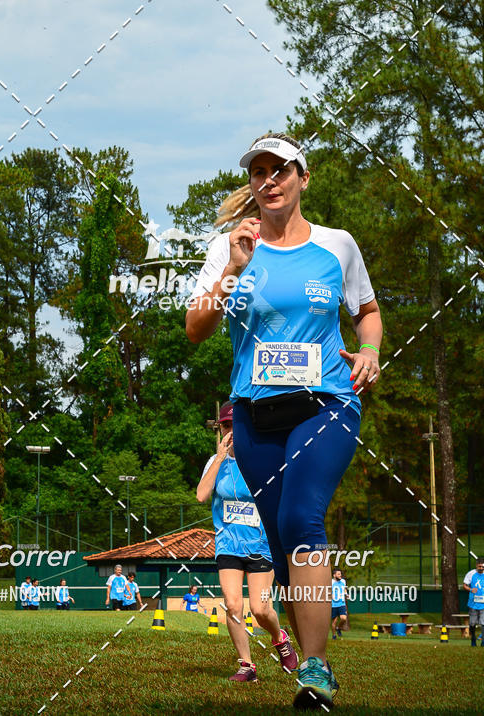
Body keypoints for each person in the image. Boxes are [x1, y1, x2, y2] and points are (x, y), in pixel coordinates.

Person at [187, 132, 382, 709]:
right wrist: (235, 267)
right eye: (259, 172)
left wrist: (370, 350)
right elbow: (195, 329)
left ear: (302, 178)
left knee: (301, 518)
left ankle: (314, 666)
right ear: (252, 184)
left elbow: (367, 312)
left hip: (327, 403)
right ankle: (315, 672)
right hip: (254, 416)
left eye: (281, 170)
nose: (269, 180)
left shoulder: (336, 245)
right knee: (279, 540)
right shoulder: (229, 248)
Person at [197, 401, 298, 683]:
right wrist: (219, 458)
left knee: (261, 609)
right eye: (226, 426)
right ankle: (247, 666)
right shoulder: (215, 462)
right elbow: (201, 495)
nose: (231, 432)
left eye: (235, 425)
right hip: (228, 544)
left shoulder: (263, 460)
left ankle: (279, 638)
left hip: (261, 544)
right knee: (232, 605)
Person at [463, 557, 484, 647]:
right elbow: (464, 585)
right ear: (476, 566)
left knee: (483, 623)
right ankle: (473, 639)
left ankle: (483, 641)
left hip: (483, 604)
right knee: (472, 623)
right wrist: (471, 589)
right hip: (473, 603)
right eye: (480, 566)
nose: (481, 568)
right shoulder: (471, 574)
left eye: (483, 567)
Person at [331, 569, 348, 640]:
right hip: (334, 604)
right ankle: (334, 635)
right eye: (338, 574)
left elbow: (344, 589)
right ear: (334, 575)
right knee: (334, 621)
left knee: (343, 618)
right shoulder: (331, 582)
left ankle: (338, 628)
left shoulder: (343, 581)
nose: (340, 575)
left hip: (342, 603)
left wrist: (346, 594)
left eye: (340, 574)